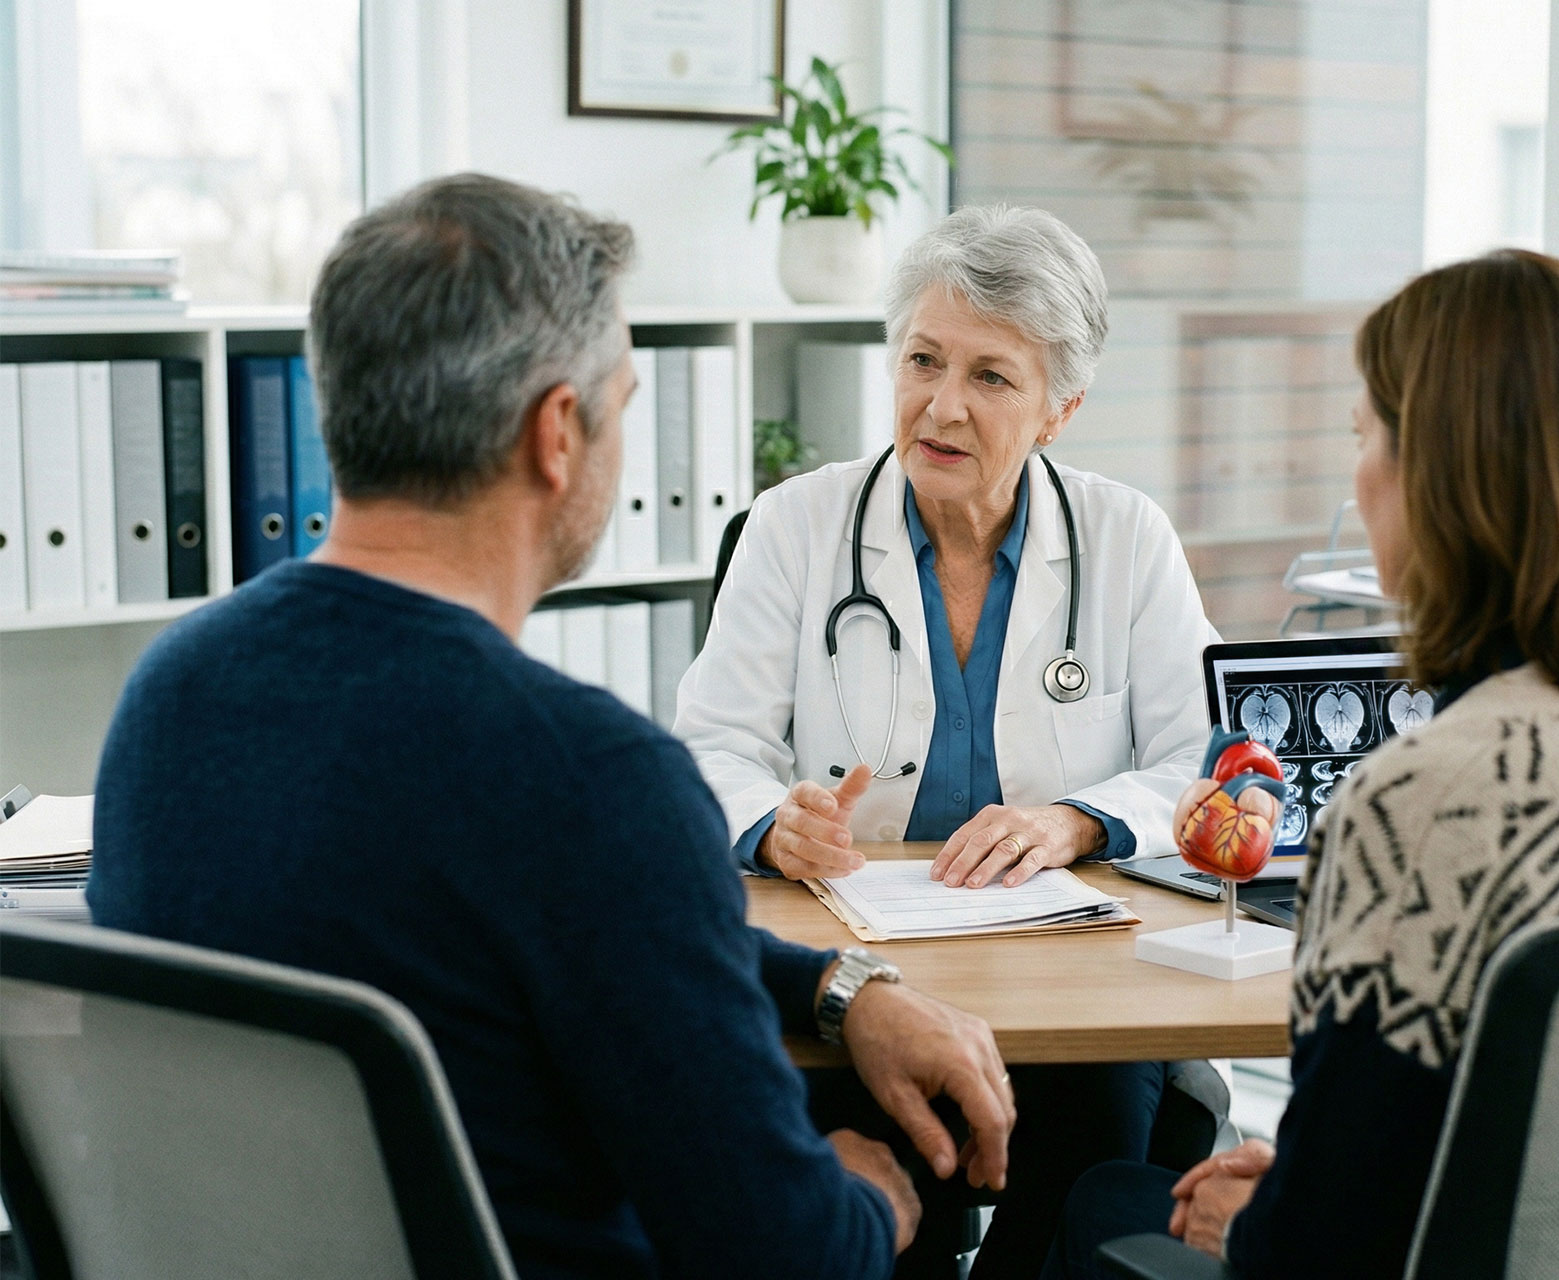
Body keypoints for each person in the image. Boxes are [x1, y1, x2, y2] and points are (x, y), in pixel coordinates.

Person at [87, 173, 1020, 1280]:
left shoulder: (169, 695)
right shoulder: (591, 779)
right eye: (623, 402)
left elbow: (591, 929)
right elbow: (787, 1253)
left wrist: (839, 985)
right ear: (557, 435)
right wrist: (871, 1190)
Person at [1042, 249, 1559, 1280]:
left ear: (1442, 482)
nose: (1356, 475)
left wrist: (1258, 1216)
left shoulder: (1425, 801)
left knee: (1107, 1205)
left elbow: (1319, 1249)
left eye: (1365, 438)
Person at [674, 204, 1220, 1278]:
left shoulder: (1126, 539)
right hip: (860, 978)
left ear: (1060, 406)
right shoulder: (797, 527)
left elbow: (1211, 762)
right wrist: (769, 822)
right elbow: (707, 746)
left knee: (1079, 1184)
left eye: (991, 376)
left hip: (1078, 987)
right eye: (923, 359)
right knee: (873, 1202)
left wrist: (1076, 819)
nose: (942, 404)